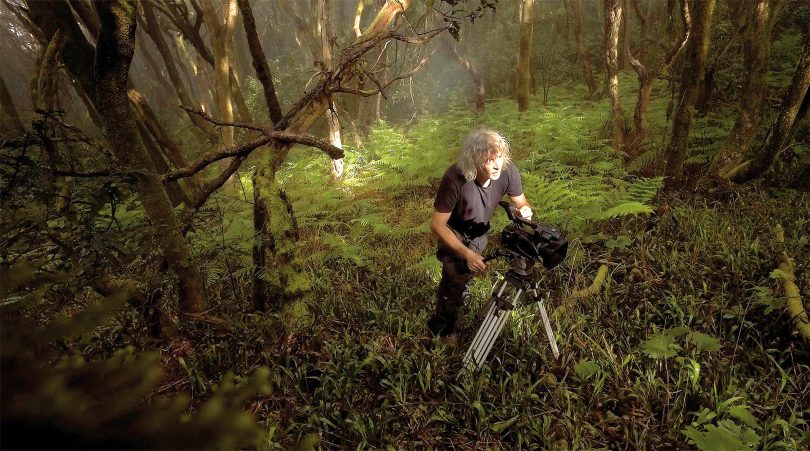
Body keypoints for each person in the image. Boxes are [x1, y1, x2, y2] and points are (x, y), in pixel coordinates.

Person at [427, 127, 533, 342]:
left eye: (499, 157)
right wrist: (467, 254)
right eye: (489, 160)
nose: (497, 165)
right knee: (453, 279)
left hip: (480, 231)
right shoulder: (454, 178)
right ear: (474, 160)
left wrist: (524, 211)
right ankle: (443, 330)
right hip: (454, 231)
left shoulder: (507, 171)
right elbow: (437, 224)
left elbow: (521, 202)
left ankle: (461, 290)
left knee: (465, 275)